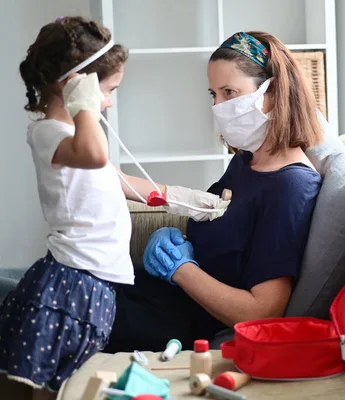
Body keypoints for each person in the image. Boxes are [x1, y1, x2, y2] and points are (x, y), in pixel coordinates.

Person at [0, 16, 227, 399]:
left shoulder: (75, 134)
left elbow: (115, 178)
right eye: (107, 90)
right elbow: (93, 154)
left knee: (75, 375)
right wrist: (85, 104)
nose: (108, 100)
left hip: (98, 283)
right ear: (74, 87)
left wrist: (189, 200)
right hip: (74, 283)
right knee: (56, 382)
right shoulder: (49, 133)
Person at [103, 31, 324, 353]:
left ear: (273, 92)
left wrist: (181, 270)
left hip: (182, 322)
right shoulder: (248, 161)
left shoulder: (289, 188)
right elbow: (206, 207)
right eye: (214, 94)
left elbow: (262, 311)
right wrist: (106, 173)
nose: (218, 107)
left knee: (45, 308)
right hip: (160, 296)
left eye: (229, 92)